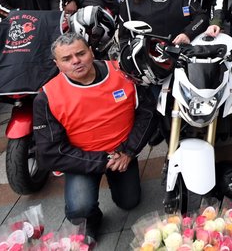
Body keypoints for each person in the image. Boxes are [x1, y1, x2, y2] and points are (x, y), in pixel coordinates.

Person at [33, 34, 155, 239]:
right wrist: (103, 161)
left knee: (129, 202)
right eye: (66, 58)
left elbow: (148, 113)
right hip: (81, 159)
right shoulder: (47, 96)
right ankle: (91, 219)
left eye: (80, 53)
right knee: (79, 210)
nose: (76, 61)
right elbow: (50, 153)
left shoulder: (123, 72)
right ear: (57, 63)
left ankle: (121, 176)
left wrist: (129, 151)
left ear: (91, 51)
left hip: (123, 152)